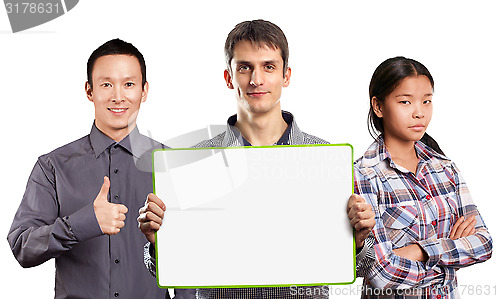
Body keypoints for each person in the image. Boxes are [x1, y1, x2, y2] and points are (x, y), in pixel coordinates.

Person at [138, 20, 376, 299]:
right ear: (229, 77)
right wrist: (159, 243)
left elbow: (360, 268)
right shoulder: (195, 162)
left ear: (286, 75)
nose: (256, 79)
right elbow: (168, 271)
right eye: (244, 67)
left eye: (269, 66)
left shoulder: (326, 160)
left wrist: (358, 241)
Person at [7, 38, 172, 298]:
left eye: (128, 84)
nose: (118, 96)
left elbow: (194, 260)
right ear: (89, 90)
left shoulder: (170, 165)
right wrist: (83, 223)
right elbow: (22, 247)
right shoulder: (53, 167)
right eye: (106, 84)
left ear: (144, 90)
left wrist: (159, 245)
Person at [354, 56, 493, 298]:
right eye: (406, 102)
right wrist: (449, 257)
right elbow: (380, 274)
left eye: (427, 101)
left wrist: (420, 251)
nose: (419, 112)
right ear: (378, 106)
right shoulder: (363, 174)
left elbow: (484, 243)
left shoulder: (445, 169)